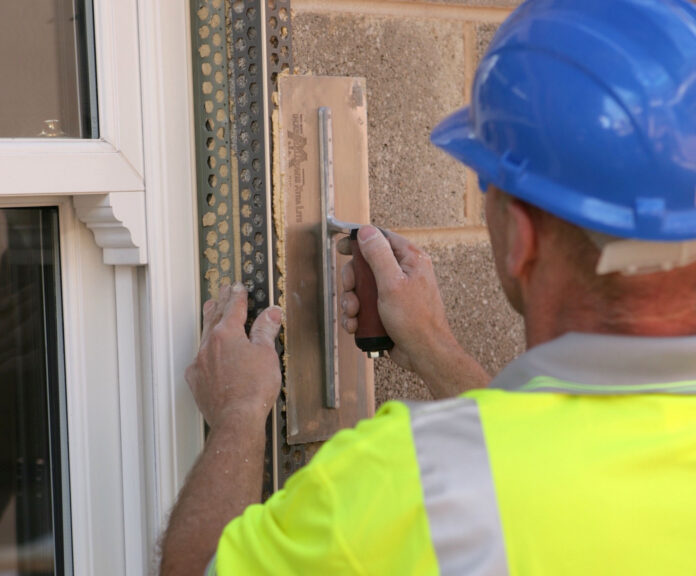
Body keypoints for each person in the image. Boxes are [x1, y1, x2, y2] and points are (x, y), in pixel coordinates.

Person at [161, 0, 696, 573]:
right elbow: (553, 444)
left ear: (520, 237)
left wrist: (239, 414)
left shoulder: (412, 482)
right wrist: (433, 345)